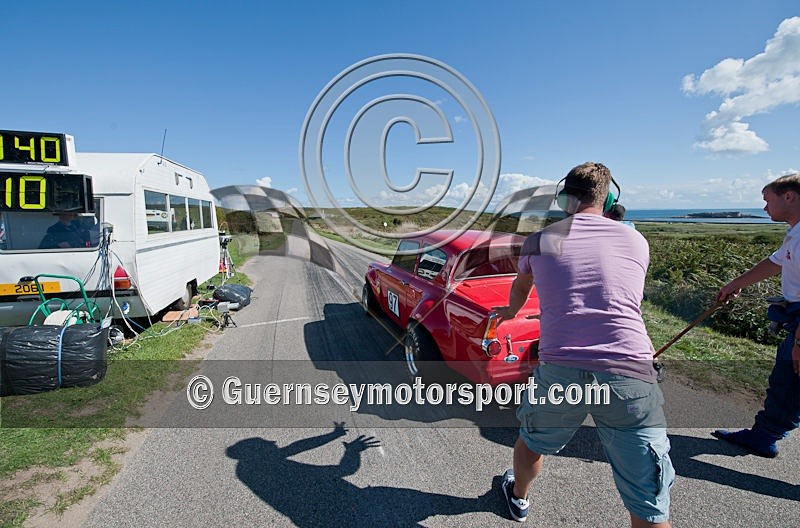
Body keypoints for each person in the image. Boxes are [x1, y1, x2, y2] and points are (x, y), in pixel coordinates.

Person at [494, 162, 674, 527]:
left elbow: (519, 291)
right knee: (647, 499)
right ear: (608, 198)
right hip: (630, 371)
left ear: (563, 198)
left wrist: (509, 311)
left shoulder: (539, 241)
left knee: (532, 441)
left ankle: (519, 498)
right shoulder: (637, 240)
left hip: (561, 369)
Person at [712, 173, 800, 458]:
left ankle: (765, 435)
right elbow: (773, 263)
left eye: (767, 200)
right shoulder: (795, 234)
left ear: (789, 196)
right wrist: (734, 284)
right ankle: (764, 435)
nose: (764, 209)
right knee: (786, 382)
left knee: (789, 379)